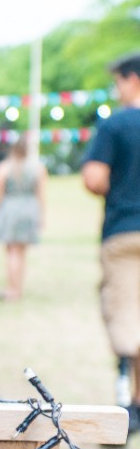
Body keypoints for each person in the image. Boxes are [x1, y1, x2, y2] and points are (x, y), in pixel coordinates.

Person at [83, 51, 140, 428]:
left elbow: (94, 178)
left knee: (127, 323)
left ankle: (133, 401)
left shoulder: (116, 125)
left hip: (125, 233)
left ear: (132, 79)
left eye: (118, 81)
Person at [0, 134, 46, 302]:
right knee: (21, 252)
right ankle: (17, 289)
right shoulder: (38, 168)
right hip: (29, 209)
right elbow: (41, 195)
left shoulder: (4, 168)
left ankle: (12, 290)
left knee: (12, 252)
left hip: (10, 210)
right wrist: (42, 216)